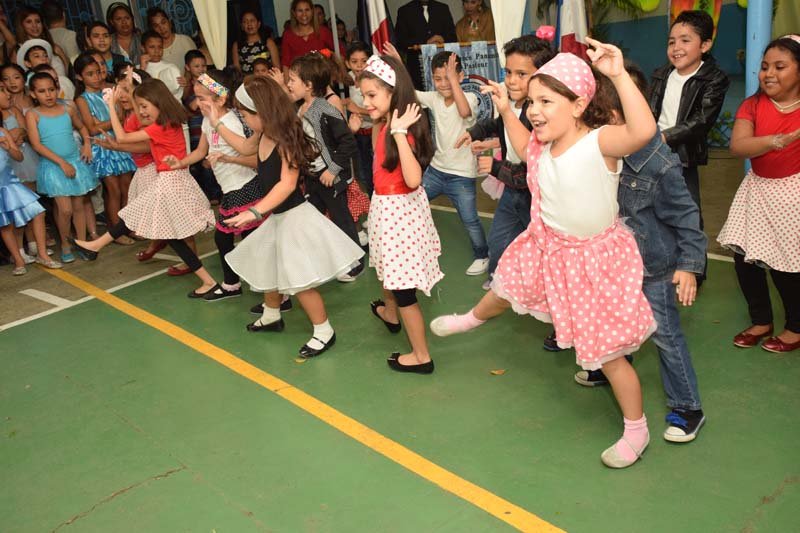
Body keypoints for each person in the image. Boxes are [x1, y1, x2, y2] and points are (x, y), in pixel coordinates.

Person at [431, 42, 658, 468]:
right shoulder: (540, 144)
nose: (533, 111)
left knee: (608, 355)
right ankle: (471, 318)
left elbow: (643, 131)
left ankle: (636, 429)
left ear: (579, 105)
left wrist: (618, 74)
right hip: (548, 247)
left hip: (592, 263)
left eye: (545, 102)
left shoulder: (599, 143)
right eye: (531, 102)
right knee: (504, 287)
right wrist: (505, 109)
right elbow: (521, 143)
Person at [566, 62, 708, 443]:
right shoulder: (594, 152)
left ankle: (687, 407)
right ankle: (613, 368)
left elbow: (687, 215)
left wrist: (689, 266)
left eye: (594, 119)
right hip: (613, 264)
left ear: (616, 117)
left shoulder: (657, 163)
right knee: (613, 322)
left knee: (665, 336)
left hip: (654, 267)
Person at [201, 76, 364, 357]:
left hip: (293, 217)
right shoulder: (262, 135)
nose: (244, 119)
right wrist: (216, 122)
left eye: (246, 115)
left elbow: (287, 185)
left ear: (262, 113)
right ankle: (272, 314)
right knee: (268, 264)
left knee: (299, 282)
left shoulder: (284, 140)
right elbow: (243, 147)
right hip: (277, 216)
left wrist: (253, 212)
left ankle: (324, 331)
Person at [70, 77, 217, 297]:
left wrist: (111, 105)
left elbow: (123, 136)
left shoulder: (160, 127)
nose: (141, 112)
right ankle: (96, 245)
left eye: (144, 106)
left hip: (170, 183)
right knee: (163, 231)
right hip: (171, 181)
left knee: (140, 218)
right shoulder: (166, 124)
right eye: (139, 107)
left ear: (159, 103)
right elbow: (134, 138)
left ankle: (96, 245)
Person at [355, 54, 441, 373]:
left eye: (372, 95)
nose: (366, 102)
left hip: (398, 215)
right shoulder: (386, 121)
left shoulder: (402, 129)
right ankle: (390, 314)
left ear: (393, 92)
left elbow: (414, 178)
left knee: (404, 291)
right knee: (387, 271)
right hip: (386, 209)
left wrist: (399, 134)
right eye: (363, 95)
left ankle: (421, 356)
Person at [718, 35, 800, 354]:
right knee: (744, 258)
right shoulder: (752, 104)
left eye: (780, 66)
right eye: (765, 67)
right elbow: (739, 146)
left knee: (786, 264)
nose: (769, 73)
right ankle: (761, 321)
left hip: (792, 193)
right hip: (757, 189)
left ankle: (795, 327)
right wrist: (778, 140)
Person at [454, 34, 555, 288]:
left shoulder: (541, 115)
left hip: (535, 196)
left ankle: (546, 292)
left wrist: (496, 167)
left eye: (521, 74)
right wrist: (475, 132)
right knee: (498, 242)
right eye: (508, 72)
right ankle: (498, 283)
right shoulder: (511, 105)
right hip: (512, 190)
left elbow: (532, 169)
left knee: (545, 249)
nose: (511, 80)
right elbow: (499, 124)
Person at [165, 70, 265, 301]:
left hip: (243, 187)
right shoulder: (208, 122)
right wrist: (180, 163)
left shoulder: (230, 121)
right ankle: (240, 283)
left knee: (238, 238)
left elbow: (250, 154)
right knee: (238, 238)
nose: (196, 103)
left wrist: (226, 158)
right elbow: (201, 150)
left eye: (202, 98)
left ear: (220, 99)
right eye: (196, 97)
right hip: (230, 189)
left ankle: (244, 284)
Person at [648, 10, 730, 285]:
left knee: (688, 211)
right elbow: (649, 110)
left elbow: (701, 121)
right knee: (651, 207)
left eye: (685, 40)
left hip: (681, 156)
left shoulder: (713, 79)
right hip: (652, 150)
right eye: (672, 41)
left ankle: (694, 270)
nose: (676, 48)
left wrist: (664, 137)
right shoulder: (661, 74)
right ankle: (661, 263)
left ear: (705, 45)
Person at [287, 52, 362, 282]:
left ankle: (355, 263)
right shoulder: (301, 108)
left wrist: (333, 170)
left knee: (341, 218)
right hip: (312, 176)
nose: (289, 84)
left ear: (308, 85)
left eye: (292, 80)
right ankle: (323, 260)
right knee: (313, 218)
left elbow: (347, 142)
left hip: (329, 175)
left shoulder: (323, 108)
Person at [414, 50, 487, 276]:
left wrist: (454, 81)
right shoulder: (434, 99)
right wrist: (398, 63)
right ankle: (414, 245)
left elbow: (464, 112)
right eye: (438, 79)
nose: (444, 83)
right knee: (413, 203)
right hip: (435, 171)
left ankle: (482, 255)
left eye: (449, 78)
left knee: (470, 220)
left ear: (460, 77)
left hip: (461, 175)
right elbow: (410, 93)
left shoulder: (470, 98)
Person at [25, 72, 98, 263]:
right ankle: (65, 243)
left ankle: (82, 243)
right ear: (33, 94)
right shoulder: (33, 115)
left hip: (75, 161)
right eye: (42, 91)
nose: (48, 94)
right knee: (65, 210)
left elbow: (82, 128)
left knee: (79, 206)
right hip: (53, 166)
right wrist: (61, 163)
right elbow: (36, 144)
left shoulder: (67, 108)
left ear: (57, 89)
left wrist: (87, 145)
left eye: (51, 89)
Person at [74, 52, 137, 242]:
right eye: (90, 74)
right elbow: (93, 129)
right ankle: (115, 230)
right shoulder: (82, 99)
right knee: (113, 189)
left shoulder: (112, 88)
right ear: (79, 77)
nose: (96, 77)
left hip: (121, 141)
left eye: (98, 72)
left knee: (127, 187)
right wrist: (113, 120)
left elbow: (123, 116)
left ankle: (129, 226)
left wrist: (104, 122)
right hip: (103, 148)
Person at [0, 123, 61, 274]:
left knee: (38, 212)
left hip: (10, 183)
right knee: (5, 224)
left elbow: (19, 157)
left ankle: (42, 254)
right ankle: (18, 260)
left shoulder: (2, 132)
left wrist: (9, 148)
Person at [394, 0, 457, 89]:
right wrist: (425, 42)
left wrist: (443, 39)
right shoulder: (405, 11)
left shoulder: (442, 8)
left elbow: (453, 38)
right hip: (417, 70)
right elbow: (401, 41)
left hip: (443, 65)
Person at [344, 41, 374, 197]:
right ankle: (372, 202)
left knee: (377, 170)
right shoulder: (347, 80)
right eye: (354, 61)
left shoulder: (374, 81)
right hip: (358, 134)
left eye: (364, 61)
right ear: (347, 63)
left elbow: (382, 111)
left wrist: (358, 110)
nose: (359, 66)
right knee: (362, 172)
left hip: (374, 132)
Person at [11, 6, 69, 76]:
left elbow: (68, 72)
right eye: (29, 22)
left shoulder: (55, 48)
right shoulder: (18, 51)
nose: (34, 25)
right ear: (21, 25)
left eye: (37, 21)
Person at [280, 0, 334, 72]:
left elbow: (339, 53)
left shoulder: (323, 31)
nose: (304, 14)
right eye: (300, 11)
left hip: (322, 77)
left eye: (307, 10)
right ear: (294, 13)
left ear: (312, 11)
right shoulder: (288, 35)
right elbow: (285, 64)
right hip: (297, 77)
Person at [139, 31, 182, 101]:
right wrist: (142, 69)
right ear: (143, 48)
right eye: (152, 47)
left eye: (160, 47)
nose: (157, 51)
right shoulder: (138, 70)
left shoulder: (171, 68)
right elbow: (138, 92)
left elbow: (179, 93)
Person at [106, 2, 143, 66]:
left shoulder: (142, 39)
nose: (124, 22)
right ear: (112, 22)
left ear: (132, 19)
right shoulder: (108, 42)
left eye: (127, 18)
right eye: (119, 19)